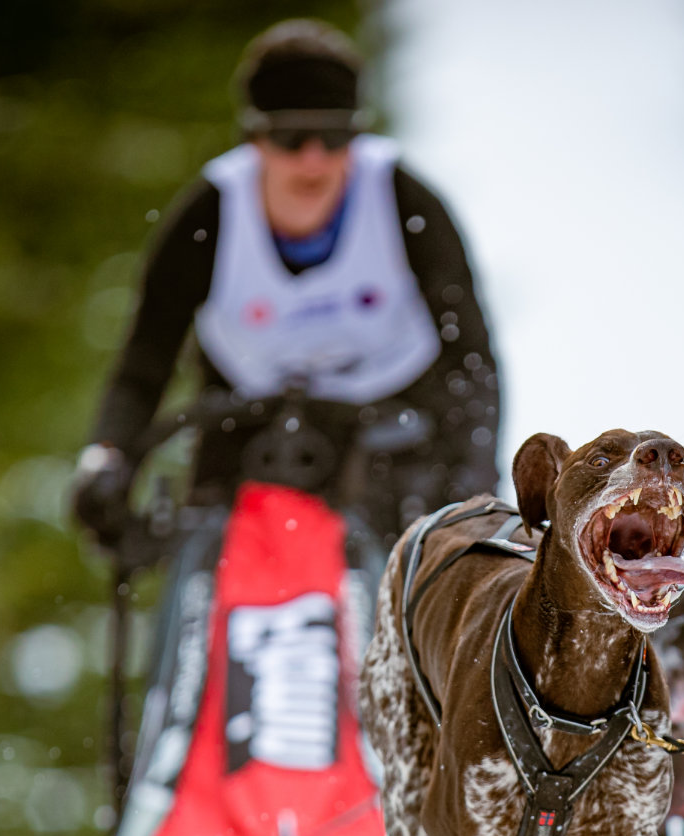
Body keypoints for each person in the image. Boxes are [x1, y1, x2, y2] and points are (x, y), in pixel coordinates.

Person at [73, 18, 500, 544]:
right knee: (215, 559)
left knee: (424, 571)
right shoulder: (208, 217)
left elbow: (472, 358)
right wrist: (109, 457)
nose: (314, 159)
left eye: (336, 136)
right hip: (251, 418)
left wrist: (473, 474)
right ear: (255, 139)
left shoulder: (407, 204)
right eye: (292, 137)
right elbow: (146, 359)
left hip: (395, 414)